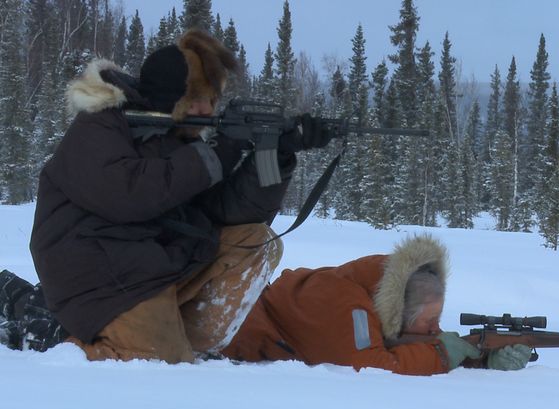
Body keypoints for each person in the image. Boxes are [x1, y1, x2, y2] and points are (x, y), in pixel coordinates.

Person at [28, 29, 333, 364]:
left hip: (152, 265)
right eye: (195, 98)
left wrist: (276, 156)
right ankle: (60, 344)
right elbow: (129, 195)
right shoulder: (101, 125)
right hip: (100, 277)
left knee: (255, 241)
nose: (205, 109)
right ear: (169, 95)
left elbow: (223, 211)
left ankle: (187, 347)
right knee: (159, 365)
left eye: (211, 99)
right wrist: (220, 151)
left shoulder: (180, 139)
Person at [221, 234, 532, 375]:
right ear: (400, 311)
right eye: (429, 321)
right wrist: (441, 355)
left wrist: (480, 358)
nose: (436, 328)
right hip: (218, 341)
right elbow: (368, 366)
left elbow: (408, 343)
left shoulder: (374, 298)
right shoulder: (344, 304)